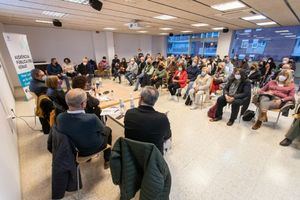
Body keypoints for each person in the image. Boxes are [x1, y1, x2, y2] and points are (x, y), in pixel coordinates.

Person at [56, 88, 112, 169]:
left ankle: (91, 159)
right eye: (86, 101)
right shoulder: (91, 118)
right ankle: (107, 159)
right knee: (108, 130)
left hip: (76, 150)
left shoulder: (60, 117)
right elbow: (102, 130)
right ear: (83, 104)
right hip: (93, 148)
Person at [124, 86, 172, 154]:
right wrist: (164, 121)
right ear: (155, 101)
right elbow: (167, 135)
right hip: (153, 156)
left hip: (132, 152)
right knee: (167, 134)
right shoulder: (162, 118)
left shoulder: (129, 113)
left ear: (140, 98)